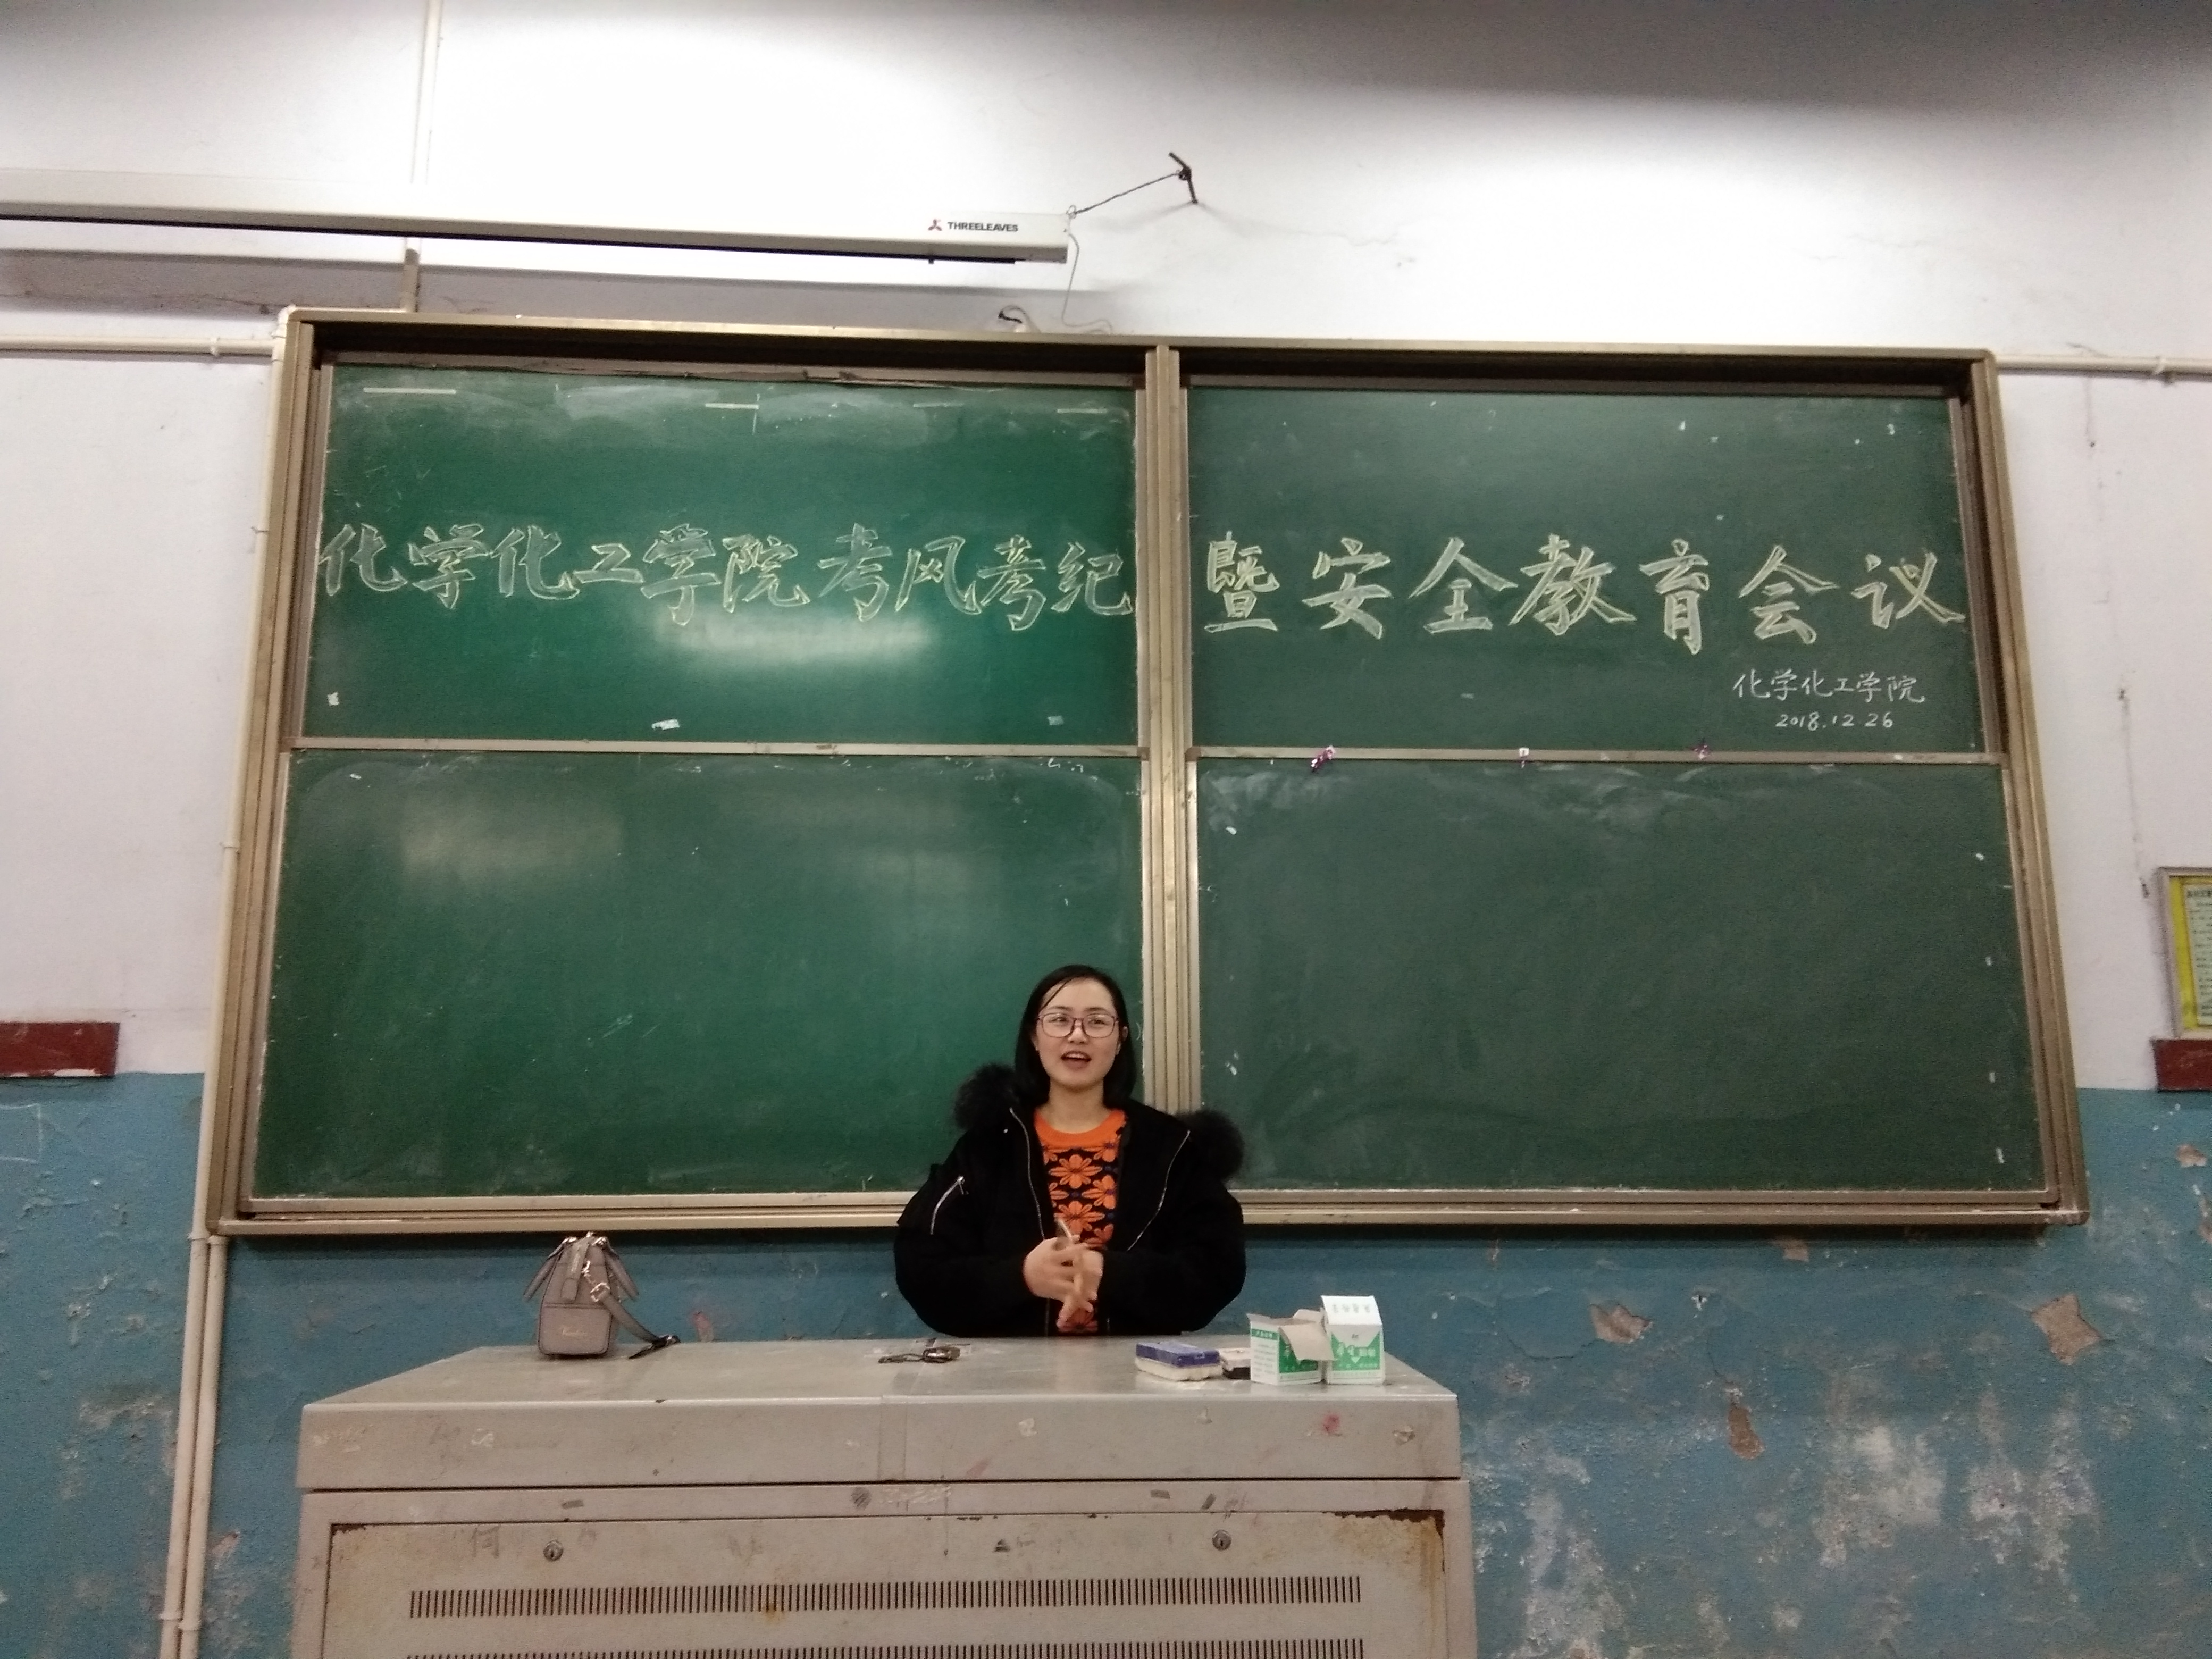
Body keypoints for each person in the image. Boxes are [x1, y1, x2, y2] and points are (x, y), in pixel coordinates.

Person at [894, 963, 1245, 1337]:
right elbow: (922, 1270)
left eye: (1097, 1022)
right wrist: (1021, 1277)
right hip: (1011, 1367)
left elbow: (1216, 1270)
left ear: (1121, 1039)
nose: (1077, 1036)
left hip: (1138, 1366)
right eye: (1060, 1020)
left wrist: (1109, 1272)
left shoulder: (1169, 1148)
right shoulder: (990, 1145)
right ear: (1034, 1035)